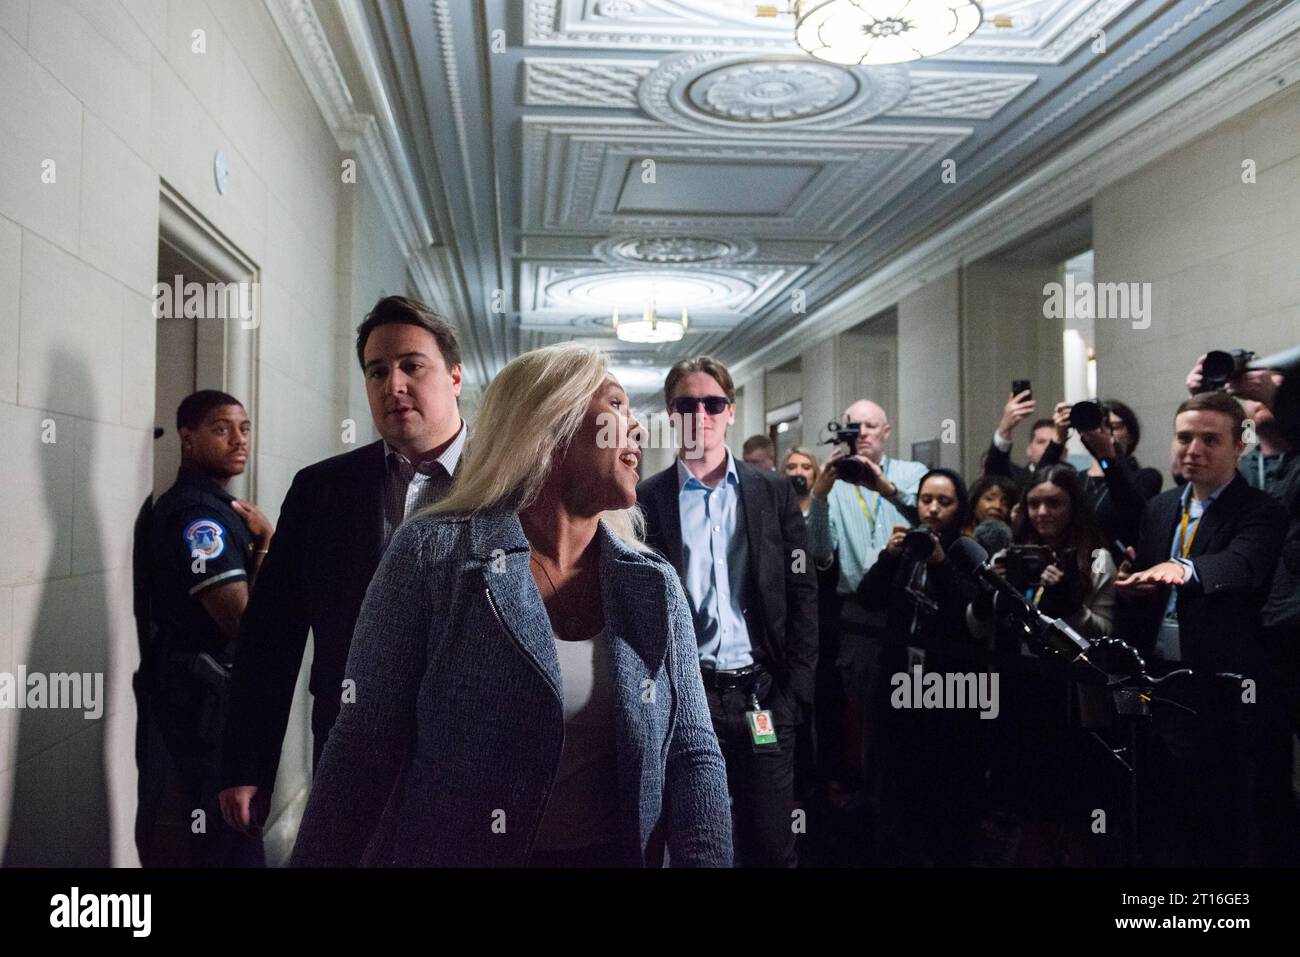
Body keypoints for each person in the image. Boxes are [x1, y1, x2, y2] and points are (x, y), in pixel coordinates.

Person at [289, 345, 732, 867]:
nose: (637, 430)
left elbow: (692, 755)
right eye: (617, 406)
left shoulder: (652, 583)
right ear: (550, 422)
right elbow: (364, 745)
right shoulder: (432, 555)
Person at [219, 296, 466, 838]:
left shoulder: (508, 485)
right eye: (377, 371)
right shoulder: (321, 490)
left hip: (472, 761)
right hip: (351, 752)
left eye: (411, 365)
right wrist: (246, 765)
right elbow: (271, 636)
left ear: (454, 376)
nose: (393, 384)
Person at [637, 356, 816, 867]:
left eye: (712, 403)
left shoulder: (772, 491)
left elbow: (802, 592)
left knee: (771, 842)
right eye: (687, 404)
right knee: (701, 844)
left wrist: (796, 692)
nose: (701, 414)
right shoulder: (647, 500)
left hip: (763, 693)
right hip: (691, 698)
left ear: (731, 412)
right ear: (671, 414)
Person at [1116, 390, 1286, 866]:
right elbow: (1150, 581)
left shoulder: (1260, 510)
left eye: (1210, 439)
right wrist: (1132, 588)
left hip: (1222, 689)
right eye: (1185, 437)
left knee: (1220, 820)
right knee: (1160, 815)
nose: (1194, 450)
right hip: (1158, 681)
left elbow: (1243, 564)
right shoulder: (1161, 507)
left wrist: (1185, 570)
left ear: (1239, 446)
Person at [143, 390, 273, 867]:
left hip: (210, 704)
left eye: (244, 428)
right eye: (221, 429)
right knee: (226, 838)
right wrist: (266, 545)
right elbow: (241, 621)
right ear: (187, 439)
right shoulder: (198, 515)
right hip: (205, 706)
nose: (239, 440)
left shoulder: (217, 505)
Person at [804, 399, 927, 809]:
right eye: (855, 428)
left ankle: (902, 796)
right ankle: (869, 797)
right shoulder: (835, 484)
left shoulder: (912, 474)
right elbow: (819, 555)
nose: (864, 435)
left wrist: (884, 488)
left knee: (908, 707)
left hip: (909, 608)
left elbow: (928, 518)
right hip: (859, 613)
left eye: (871, 427)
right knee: (862, 708)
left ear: (887, 431)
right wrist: (819, 497)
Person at [857, 468, 982, 864]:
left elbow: (966, 617)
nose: (932, 509)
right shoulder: (908, 549)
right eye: (926, 500)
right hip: (898, 679)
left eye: (944, 502)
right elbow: (868, 598)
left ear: (959, 508)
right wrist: (889, 557)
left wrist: (942, 563)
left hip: (946, 686)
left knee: (940, 781)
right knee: (895, 776)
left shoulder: (966, 552)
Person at [1042, 398, 1162, 548]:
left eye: (1113, 426)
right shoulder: (1074, 478)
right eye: (1097, 424)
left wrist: (1107, 457)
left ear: (1131, 435)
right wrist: (1059, 437)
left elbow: (1131, 514)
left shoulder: (1146, 477)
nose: (1102, 430)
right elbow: (1036, 488)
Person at [984, 387, 1055, 488]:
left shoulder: (1076, 481)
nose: (1048, 447)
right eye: (1041, 442)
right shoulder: (1014, 479)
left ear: (1065, 450)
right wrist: (1005, 427)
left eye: (1053, 443)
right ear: (1029, 449)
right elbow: (995, 470)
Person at [782, 446, 819, 516]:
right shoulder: (777, 510)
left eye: (806, 467)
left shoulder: (824, 507)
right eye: (792, 467)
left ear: (815, 474)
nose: (799, 472)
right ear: (783, 473)